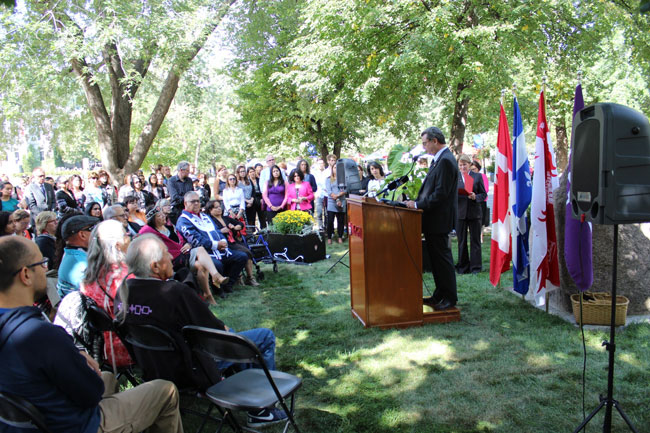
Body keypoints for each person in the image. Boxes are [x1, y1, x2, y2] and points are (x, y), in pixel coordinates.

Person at [0, 236, 184, 433]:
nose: (46, 269)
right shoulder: (40, 335)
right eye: (42, 263)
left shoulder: (16, 328)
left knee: (108, 376)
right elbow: (91, 393)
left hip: (34, 417)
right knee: (165, 390)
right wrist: (81, 363)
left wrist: (74, 358)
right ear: (25, 274)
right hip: (75, 424)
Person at [116, 234, 286, 428]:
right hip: (192, 370)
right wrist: (227, 330)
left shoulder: (123, 292)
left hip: (154, 369)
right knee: (262, 337)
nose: (172, 257)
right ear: (155, 266)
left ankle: (248, 396)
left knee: (236, 338)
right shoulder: (175, 293)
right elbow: (217, 333)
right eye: (166, 253)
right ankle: (261, 410)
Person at [405, 127, 459, 311]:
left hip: (439, 220)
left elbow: (441, 194)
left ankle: (450, 297)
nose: (424, 147)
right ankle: (439, 294)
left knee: (442, 259)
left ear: (435, 141)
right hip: (433, 219)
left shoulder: (445, 161)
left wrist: (418, 205)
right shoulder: (439, 160)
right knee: (436, 259)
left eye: (425, 143)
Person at [139, 204, 229, 303]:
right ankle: (216, 276)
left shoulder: (170, 227)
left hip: (184, 254)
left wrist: (188, 245)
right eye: (159, 216)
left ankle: (207, 295)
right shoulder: (149, 231)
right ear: (152, 219)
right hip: (172, 260)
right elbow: (140, 238)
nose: (163, 216)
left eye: (162, 214)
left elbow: (181, 240)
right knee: (200, 249)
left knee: (201, 266)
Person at [81, 220, 134, 369]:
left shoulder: (90, 275)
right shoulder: (125, 277)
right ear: (118, 244)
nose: (130, 237)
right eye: (126, 234)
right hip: (129, 346)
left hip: (100, 348)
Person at [176, 191, 247, 294]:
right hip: (203, 253)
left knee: (241, 257)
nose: (196, 203)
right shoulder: (183, 220)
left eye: (198, 201)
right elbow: (195, 240)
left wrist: (223, 241)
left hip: (220, 249)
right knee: (217, 264)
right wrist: (215, 245)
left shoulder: (204, 216)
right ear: (185, 203)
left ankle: (228, 285)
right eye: (193, 201)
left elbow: (217, 230)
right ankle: (218, 289)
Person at [205, 200, 259, 287]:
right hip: (224, 244)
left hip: (234, 241)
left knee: (248, 252)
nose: (219, 208)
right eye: (216, 207)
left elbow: (240, 223)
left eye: (219, 206)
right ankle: (242, 277)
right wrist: (220, 231)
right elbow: (209, 233)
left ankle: (249, 277)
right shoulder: (210, 221)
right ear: (210, 210)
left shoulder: (226, 218)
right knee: (245, 252)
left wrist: (238, 226)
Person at [455, 154, 487, 275]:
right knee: (461, 241)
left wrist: (475, 196)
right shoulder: (455, 177)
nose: (463, 167)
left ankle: (476, 267)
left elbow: (483, 194)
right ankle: (463, 266)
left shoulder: (477, 177)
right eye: (460, 165)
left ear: (470, 165)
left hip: (474, 213)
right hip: (460, 213)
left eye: (465, 164)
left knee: (475, 241)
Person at [57, 215, 100, 299]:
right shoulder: (79, 264)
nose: (97, 233)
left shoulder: (74, 254)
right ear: (82, 235)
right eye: (93, 229)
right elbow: (99, 295)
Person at [325, 163, 346, 244]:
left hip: (342, 201)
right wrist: (336, 198)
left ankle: (340, 236)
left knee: (340, 221)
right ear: (332, 169)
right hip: (331, 201)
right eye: (334, 167)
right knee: (330, 221)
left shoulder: (344, 179)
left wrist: (338, 196)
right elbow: (329, 191)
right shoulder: (328, 179)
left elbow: (346, 189)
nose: (336, 169)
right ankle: (329, 237)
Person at [471, 161, 490, 241]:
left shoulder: (482, 176)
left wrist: (476, 195)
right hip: (472, 200)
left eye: (474, 169)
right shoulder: (469, 176)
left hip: (481, 201)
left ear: (478, 169)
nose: (473, 171)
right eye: (471, 169)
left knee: (481, 220)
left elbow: (486, 189)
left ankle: (480, 236)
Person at [313, 158, 327, 231]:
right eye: (319, 163)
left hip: (327, 194)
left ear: (324, 164)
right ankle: (320, 226)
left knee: (327, 212)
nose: (321, 165)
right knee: (319, 212)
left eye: (322, 163)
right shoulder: (314, 173)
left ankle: (327, 227)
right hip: (318, 194)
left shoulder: (327, 172)